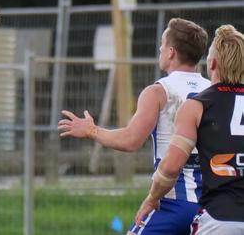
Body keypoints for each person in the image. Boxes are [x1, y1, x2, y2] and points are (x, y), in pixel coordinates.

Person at [58, 18, 210, 235]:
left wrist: (92, 131)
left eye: (162, 44)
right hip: (210, 207)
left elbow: (131, 140)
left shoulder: (159, 91)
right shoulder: (214, 90)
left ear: (171, 52)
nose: (159, 48)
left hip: (172, 203)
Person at [135, 24, 244, 235]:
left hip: (219, 219)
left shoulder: (197, 105)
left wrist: (152, 198)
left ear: (212, 63)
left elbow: (171, 168)